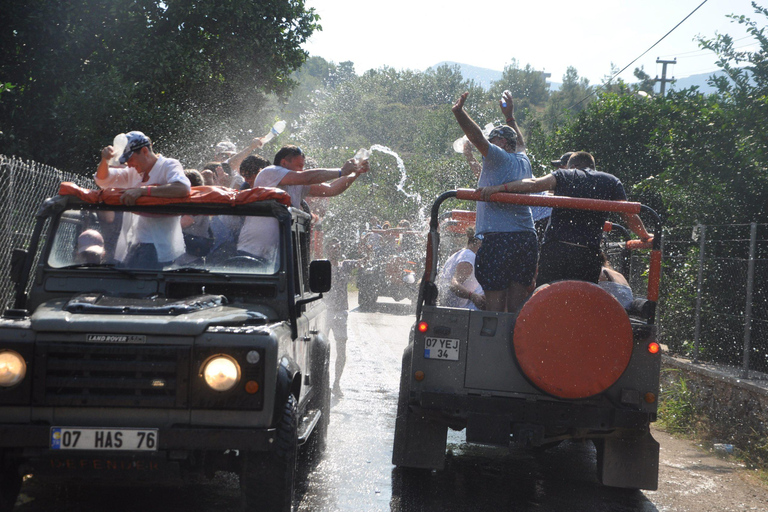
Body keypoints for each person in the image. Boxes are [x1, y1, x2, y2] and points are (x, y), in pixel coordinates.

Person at [479, 151, 653, 286]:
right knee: (581, 300)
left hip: (556, 250)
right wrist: (644, 235)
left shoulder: (565, 175)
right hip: (587, 254)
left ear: (572, 166)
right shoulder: (611, 181)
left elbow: (533, 184)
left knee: (546, 296)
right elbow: (628, 214)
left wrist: (499, 188)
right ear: (592, 166)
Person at [451, 91, 537, 313]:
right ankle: (512, 344)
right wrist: (510, 117)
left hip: (500, 239)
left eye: (494, 140)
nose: (490, 144)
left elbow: (476, 135)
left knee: (494, 308)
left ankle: (491, 344)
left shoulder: (500, 156)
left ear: (504, 144)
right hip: (526, 238)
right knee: (516, 307)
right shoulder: (522, 159)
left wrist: (459, 113)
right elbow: (521, 142)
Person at [237, 145, 367, 262]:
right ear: (284, 162)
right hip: (250, 250)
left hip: (275, 258)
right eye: (299, 165)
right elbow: (307, 177)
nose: (302, 169)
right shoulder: (270, 172)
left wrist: (355, 174)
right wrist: (341, 171)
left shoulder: (298, 184)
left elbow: (331, 189)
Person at [96, 131, 191, 268]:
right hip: (136, 243)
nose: (128, 165)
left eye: (130, 159)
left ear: (145, 151)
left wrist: (142, 191)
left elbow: (182, 188)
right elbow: (102, 180)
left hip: (160, 247)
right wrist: (104, 160)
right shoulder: (133, 172)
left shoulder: (169, 165)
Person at [324, 238, 360, 397]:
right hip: (324, 312)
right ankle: (320, 381)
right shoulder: (322, 266)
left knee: (341, 350)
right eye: (332, 248)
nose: (335, 250)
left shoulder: (345, 265)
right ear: (327, 250)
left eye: (338, 248)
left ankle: (336, 383)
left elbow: (363, 261)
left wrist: (366, 249)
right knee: (319, 348)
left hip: (340, 312)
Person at [437, 227, 485, 310]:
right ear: (478, 242)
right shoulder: (469, 256)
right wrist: (473, 296)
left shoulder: (461, 254)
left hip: (452, 308)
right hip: (461, 310)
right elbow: (454, 284)